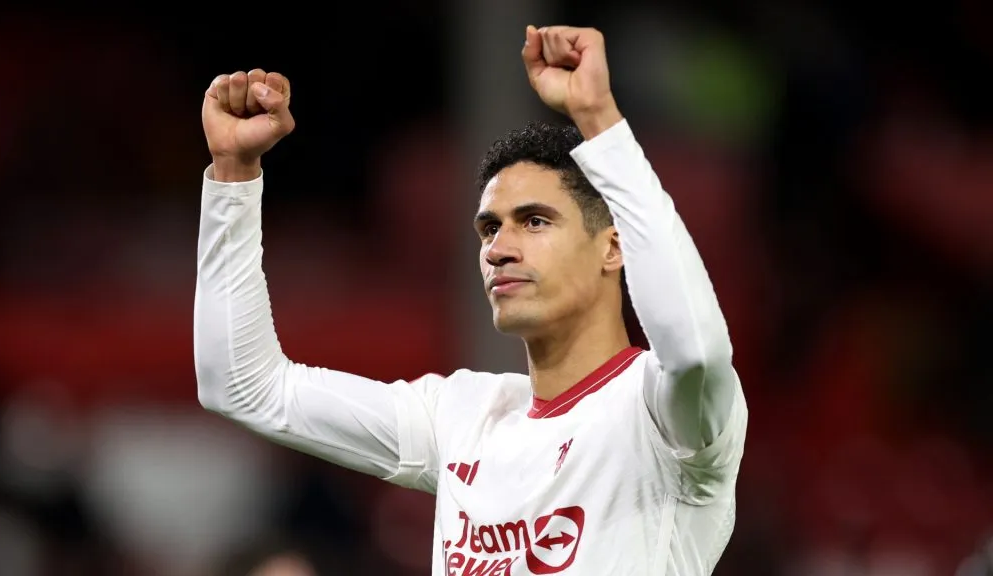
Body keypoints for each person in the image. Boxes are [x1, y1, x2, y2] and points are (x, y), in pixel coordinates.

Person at [195, 25, 747, 575]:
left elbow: (693, 349)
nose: (500, 249)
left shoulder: (663, 413)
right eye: (488, 229)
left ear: (612, 246)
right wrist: (233, 174)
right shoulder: (461, 416)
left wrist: (599, 119)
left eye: (534, 221)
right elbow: (244, 386)